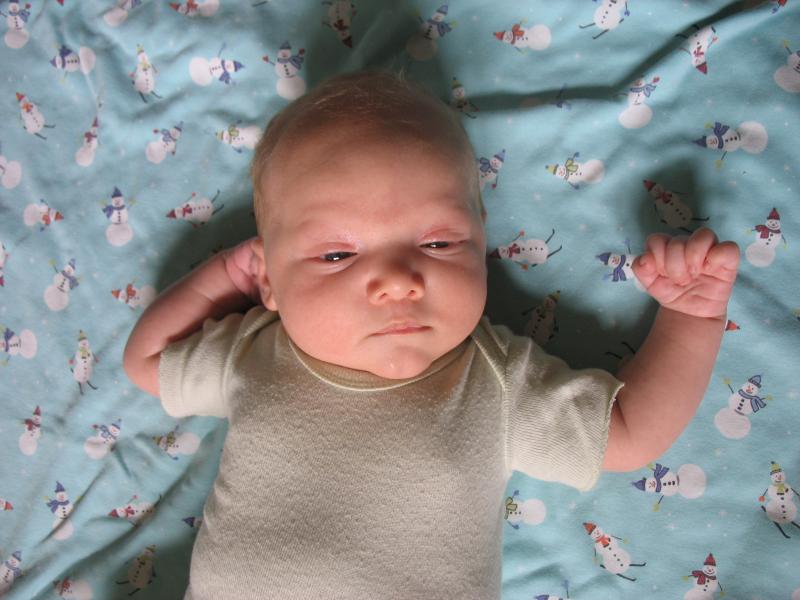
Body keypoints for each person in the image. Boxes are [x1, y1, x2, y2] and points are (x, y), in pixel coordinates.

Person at [123, 70, 740, 599]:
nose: (397, 281)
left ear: (481, 237)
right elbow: (148, 361)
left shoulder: (496, 382)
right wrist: (225, 275)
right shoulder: (255, 350)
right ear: (270, 278)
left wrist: (692, 317)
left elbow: (628, 432)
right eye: (337, 255)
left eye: (438, 243)